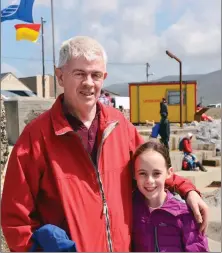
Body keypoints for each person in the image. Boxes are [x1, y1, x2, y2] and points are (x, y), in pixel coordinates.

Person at [1, 36, 208, 252]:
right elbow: (16, 219)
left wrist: (188, 190)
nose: (89, 82)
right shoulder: (36, 137)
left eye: (96, 75)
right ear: (60, 76)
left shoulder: (120, 126)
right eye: (79, 73)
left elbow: (151, 168)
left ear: (104, 77)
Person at [132, 141, 209, 252]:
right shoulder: (131, 209)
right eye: (142, 173)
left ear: (169, 173)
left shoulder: (185, 214)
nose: (149, 180)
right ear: (134, 174)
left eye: (156, 173)